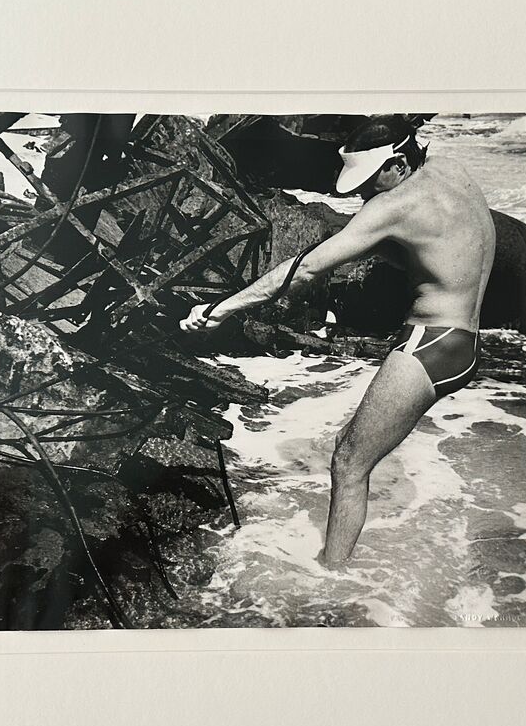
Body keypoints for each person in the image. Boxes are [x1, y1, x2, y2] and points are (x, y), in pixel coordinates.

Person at [181, 116, 497, 566]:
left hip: (431, 346)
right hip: (466, 342)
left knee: (348, 463)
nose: (365, 194)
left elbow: (305, 270)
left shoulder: (392, 207)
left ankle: (330, 579)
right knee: (356, 450)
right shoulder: (453, 170)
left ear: (398, 164)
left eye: (371, 181)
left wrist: (220, 310)